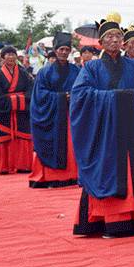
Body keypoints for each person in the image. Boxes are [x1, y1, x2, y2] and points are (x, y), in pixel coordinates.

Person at [71, 17, 134, 238]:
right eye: (109, 37)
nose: (114, 40)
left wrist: (130, 97)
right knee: (109, 170)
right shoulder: (91, 68)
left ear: (123, 41)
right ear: (101, 41)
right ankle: (110, 221)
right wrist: (115, 99)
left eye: (118, 36)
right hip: (106, 134)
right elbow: (81, 96)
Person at [29, 32, 80, 188]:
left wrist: (74, 96)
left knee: (71, 145)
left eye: (67, 49)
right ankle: (51, 176)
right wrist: (60, 97)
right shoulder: (45, 72)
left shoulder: (76, 70)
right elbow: (40, 95)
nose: (64, 52)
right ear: (55, 50)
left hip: (70, 115)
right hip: (52, 116)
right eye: (61, 49)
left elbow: (82, 89)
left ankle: (72, 175)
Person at [0, 46, 34, 174]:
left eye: (13, 54)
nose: (11, 57)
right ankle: (4, 166)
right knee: (5, 137)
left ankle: (23, 165)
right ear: (3, 57)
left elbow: (31, 89)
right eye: (7, 54)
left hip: (21, 110)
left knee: (23, 136)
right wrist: (13, 101)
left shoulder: (24, 73)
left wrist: (19, 100)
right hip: (5, 111)